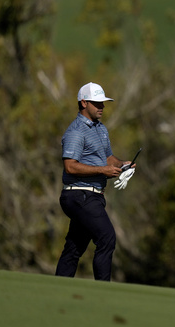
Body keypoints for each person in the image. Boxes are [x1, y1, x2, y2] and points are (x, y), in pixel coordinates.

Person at [55, 82, 134, 281]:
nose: (102, 107)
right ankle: (103, 292)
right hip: (78, 195)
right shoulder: (76, 131)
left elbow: (108, 159)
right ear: (83, 103)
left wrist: (123, 164)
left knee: (74, 247)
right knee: (106, 238)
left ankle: (56, 287)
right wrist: (103, 171)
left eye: (103, 103)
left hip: (92, 196)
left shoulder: (101, 129)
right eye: (97, 103)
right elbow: (70, 166)